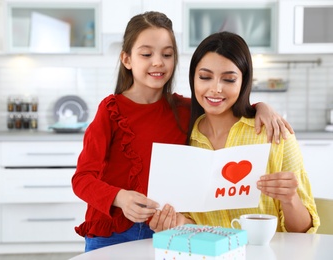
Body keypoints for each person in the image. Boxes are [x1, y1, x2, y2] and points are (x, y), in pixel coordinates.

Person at [72, 12, 293, 252]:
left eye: (167, 54)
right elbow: (82, 179)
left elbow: (226, 105)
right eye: (146, 54)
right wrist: (120, 198)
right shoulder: (111, 110)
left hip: (165, 229)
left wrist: (262, 107)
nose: (158, 62)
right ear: (126, 59)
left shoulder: (187, 110)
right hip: (110, 232)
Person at [149, 31, 320, 234]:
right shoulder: (184, 140)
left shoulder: (275, 135)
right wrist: (176, 223)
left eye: (229, 80)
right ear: (193, 78)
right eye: (205, 77)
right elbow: (195, 225)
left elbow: (304, 232)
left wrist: (290, 199)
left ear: (243, 82)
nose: (215, 89)